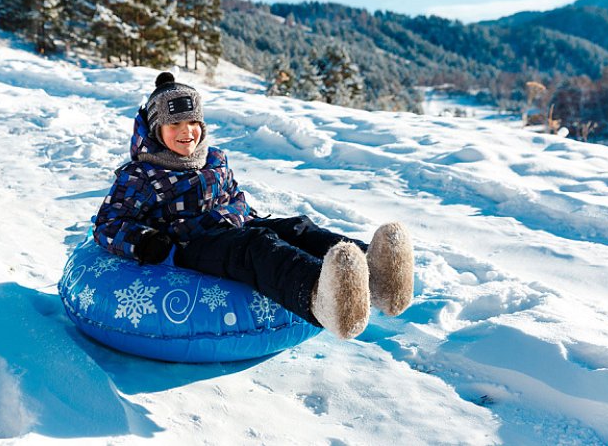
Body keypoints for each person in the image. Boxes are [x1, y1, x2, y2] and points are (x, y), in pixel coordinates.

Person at [93, 72, 414, 339]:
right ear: (156, 130)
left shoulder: (213, 158)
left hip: (234, 224)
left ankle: (377, 276)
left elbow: (233, 194)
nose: (186, 132)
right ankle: (320, 297)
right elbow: (108, 223)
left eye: (192, 122)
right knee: (256, 247)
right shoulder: (142, 174)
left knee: (297, 227)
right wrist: (146, 242)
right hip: (191, 241)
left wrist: (248, 215)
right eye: (174, 125)